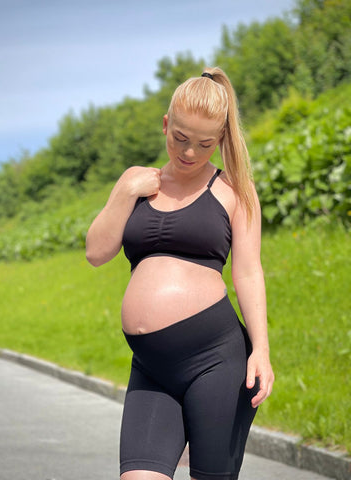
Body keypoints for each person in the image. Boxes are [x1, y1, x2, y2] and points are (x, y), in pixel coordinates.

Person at [86, 67, 274, 480]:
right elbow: (96, 253)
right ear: (167, 125)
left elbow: (248, 272)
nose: (190, 152)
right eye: (180, 138)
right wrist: (124, 191)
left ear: (221, 139)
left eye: (205, 144)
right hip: (151, 367)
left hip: (216, 362)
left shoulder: (234, 191)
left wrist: (260, 348)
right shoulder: (137, 184)